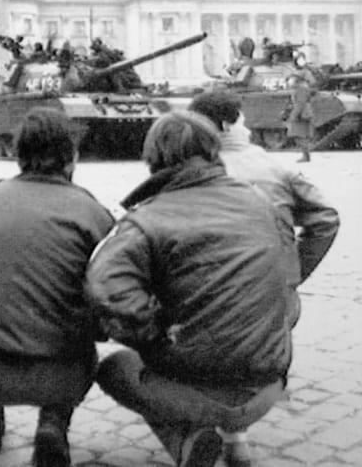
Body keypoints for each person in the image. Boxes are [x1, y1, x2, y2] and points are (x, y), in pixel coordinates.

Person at [87, 111, 303, 467]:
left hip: (192, 382)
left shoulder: (146, 219)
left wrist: (154, 336)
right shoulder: (265, 206)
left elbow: (106, 287)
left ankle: (187, 441)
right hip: (268, 384)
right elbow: (289, 279)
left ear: (153, 159)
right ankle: (237, 443)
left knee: (115, 369)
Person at [0, 108, 115, 467]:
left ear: (18, 155)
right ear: (71, 156)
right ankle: (53, 424)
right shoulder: (94, 213)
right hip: (63, 372)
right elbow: (112, 298)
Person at [188, 90, 340, 465]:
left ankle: (200, 424)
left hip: (198, 310)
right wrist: (290, 275)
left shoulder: (181, 173)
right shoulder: (277, 168)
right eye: (241, 118)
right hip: (273, 306)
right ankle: (242, 421)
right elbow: (326, 219)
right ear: (228, 124)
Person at [286, 70, 315, 162]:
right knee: (300, 135)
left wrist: (293, 115)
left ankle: (306, 156)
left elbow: (300, 103)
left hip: (301, 115)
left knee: (299, 135)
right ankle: (306, 156)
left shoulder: (301, 89)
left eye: (292, 78)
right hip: (303, 113)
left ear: (297, 79)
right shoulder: (302, 88)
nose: (290, 80)